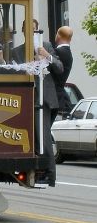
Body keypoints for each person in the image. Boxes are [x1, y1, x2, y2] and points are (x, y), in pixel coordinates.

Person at [35, 37, 64, 186]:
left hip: (44, 99)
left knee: (44, 136)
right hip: (24, 97)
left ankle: (50, 174)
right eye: (29, 30)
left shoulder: (46, 46)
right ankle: (37, 170)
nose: (32, 33)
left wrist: (47, 55)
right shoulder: (18, 51)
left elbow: (59, 67)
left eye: (35, 30)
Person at [51, 26, 73, 120]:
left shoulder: (59, 52)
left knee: (45, 129)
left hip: (53, 96)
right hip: (58, 96)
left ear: (58, 35)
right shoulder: (68, 53)